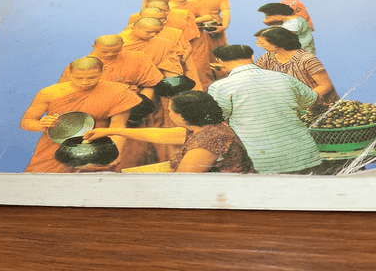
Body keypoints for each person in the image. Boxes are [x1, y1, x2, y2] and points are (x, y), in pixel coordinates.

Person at [206, 44, 323, 174]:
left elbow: (216, 120)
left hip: (262, 160)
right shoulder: (284, 78)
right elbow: (315, 99)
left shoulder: (220, 87)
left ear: (219, 61)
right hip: (304, 154)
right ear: (252, 56)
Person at [84, 91, 255, 173]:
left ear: (184, 117)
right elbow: (158, 135)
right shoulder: (204, 126)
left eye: (171, 111)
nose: (168, 113)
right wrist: (111, 131)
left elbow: (182, 181)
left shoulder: (207, 144)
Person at [20, 56, 141, 172]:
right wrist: (42, 125)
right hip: (55, 147)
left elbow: (118, 126)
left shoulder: (118, 91)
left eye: (92, 77)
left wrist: (114, 153)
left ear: (101, 72)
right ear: (69, 73)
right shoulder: (49, 93)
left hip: (98, 147)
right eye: (79, 78)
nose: (85, 82)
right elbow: (26, 122)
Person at [58, 35, 162, 101]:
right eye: (105, 52)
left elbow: (150, 84)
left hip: (131, 102)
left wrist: (144, 103)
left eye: (115, 51)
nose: (110, 54)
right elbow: (65, 91)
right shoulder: (80, 65)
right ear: (95, 47)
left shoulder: (138, 57)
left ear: (122, 45)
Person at [253, 26, 338, 107]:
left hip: (318, 106)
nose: (259, 45)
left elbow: (326, 85)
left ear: (277, 43)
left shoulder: (306, 59)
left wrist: (303, 100)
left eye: (262, 43)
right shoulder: (267, 57)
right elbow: (254, 72)